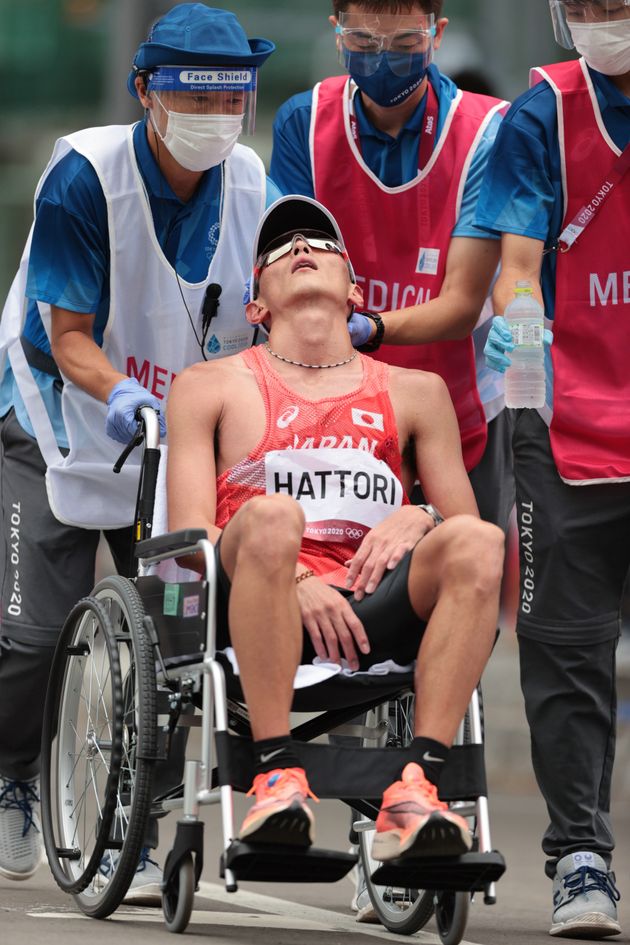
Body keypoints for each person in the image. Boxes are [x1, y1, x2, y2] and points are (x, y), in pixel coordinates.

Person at [0, 3, 277, 896]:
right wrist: (116, 389)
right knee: (34, 634)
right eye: (193, 93)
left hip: (173, 447)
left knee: (172, 644)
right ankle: (11, 769)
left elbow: (269, 303)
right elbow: (68, 331)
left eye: (230, 93)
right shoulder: (86, 174)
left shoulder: (249, 183)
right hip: (54, 420)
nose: (214, 112)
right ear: (145, 91)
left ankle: (138, 823)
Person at [166, 193, 505, 864]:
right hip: (256, 601)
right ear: (255, 306)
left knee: (481, 539)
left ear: (354, 291)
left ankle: (418, 785)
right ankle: (274, 772)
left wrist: (422, 513)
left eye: (319, 245)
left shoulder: (417, 393)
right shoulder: (209, 385)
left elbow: (463, 528)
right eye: (278, 250)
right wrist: (292, 579)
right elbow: (190, 537)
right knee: (270, 515)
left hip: (372, 607)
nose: (299, 250)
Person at [477, 0, 630, 938]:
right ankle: (581, 858)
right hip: (568, 419)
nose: (605, 20)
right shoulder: (540, 116)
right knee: (567, 653)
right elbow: (518, 260)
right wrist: (522, 321)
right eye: (588, 7)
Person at [270, 0, 514, 535]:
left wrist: (370, 327)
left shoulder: (486, 131)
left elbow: (460, 305)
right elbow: (290, 271)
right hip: (335, 411)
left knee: (464, 567)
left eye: (404, 45)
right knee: (344, 587)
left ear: (437, 32)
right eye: (362, 43)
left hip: (461, 403)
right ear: (336, 32)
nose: (382, 61)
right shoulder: (304, 122)